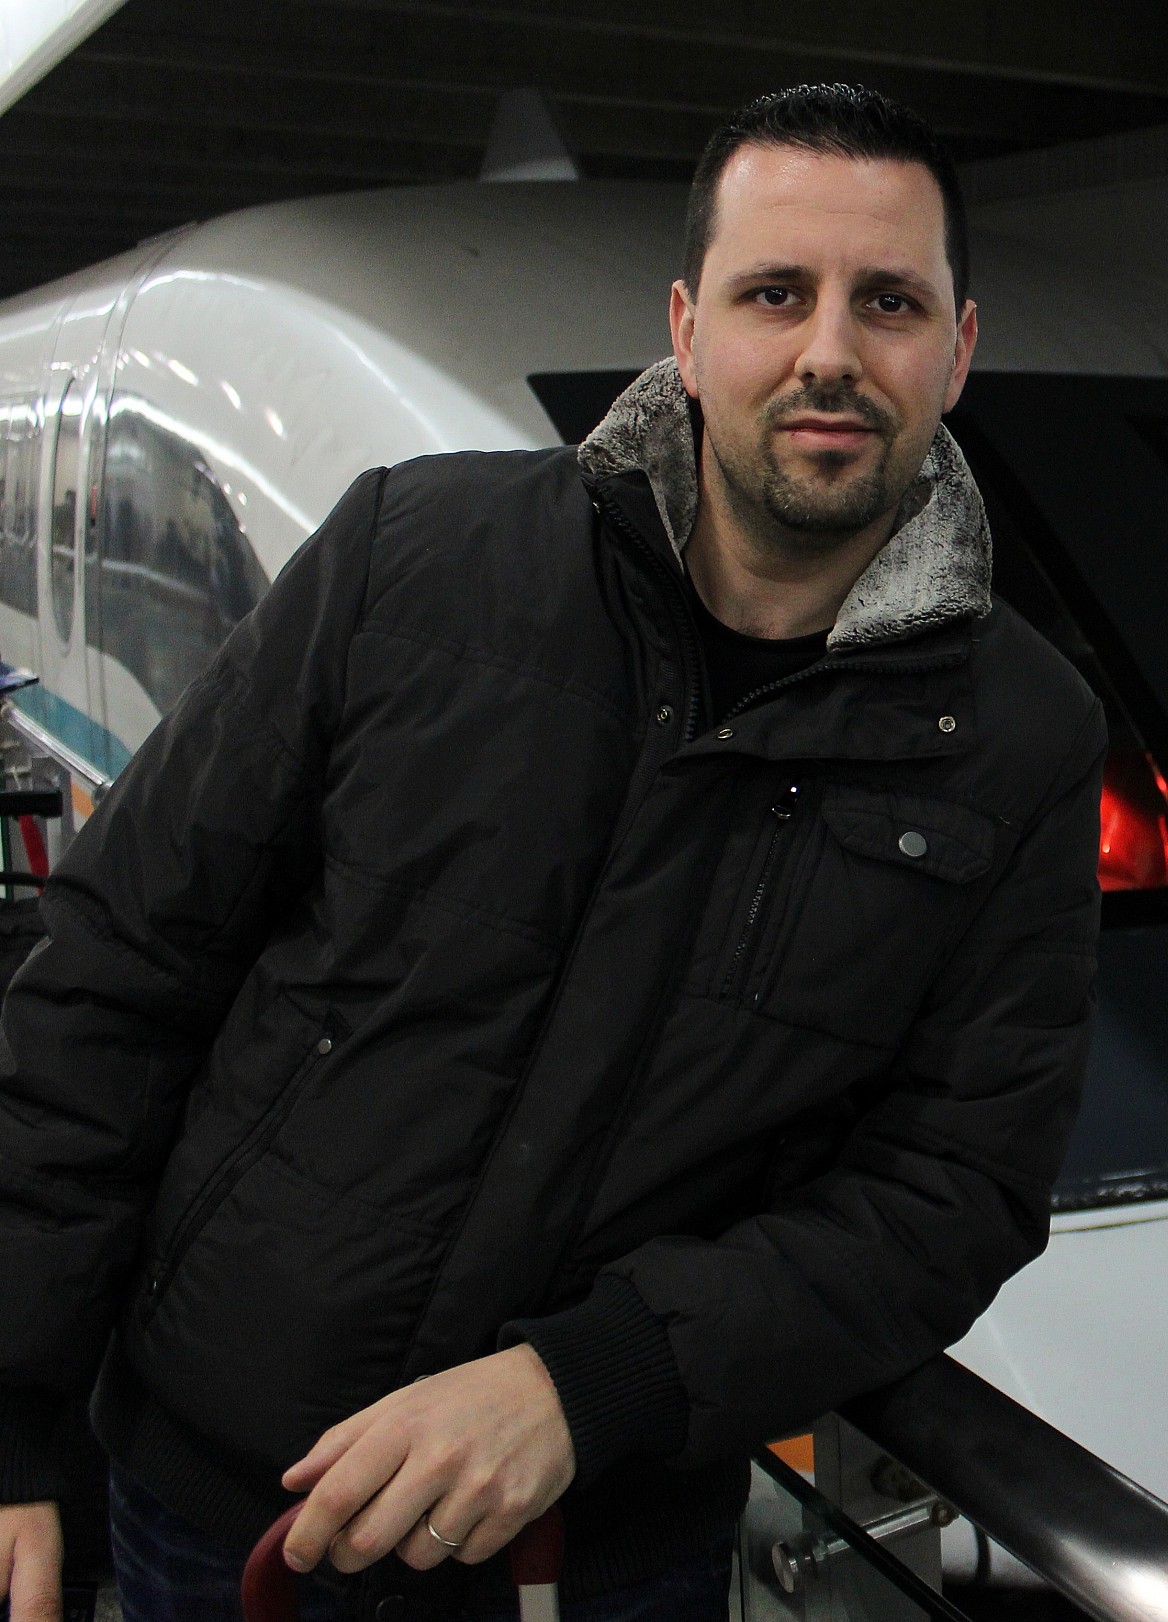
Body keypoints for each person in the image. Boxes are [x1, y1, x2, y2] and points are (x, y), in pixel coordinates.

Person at [0, 83, 1104, 1621]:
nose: (830, 351)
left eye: (890, 302)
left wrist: (597, 1379)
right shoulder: (414, 560)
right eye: (774, 293)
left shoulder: (1019, 741)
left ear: (958, 348)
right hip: (217, 1505)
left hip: (596, 1556)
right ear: (687, 328)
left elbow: (956, 1188)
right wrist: (13, 1410)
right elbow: (121, 966)